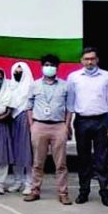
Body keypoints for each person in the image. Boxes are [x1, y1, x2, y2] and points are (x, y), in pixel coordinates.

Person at [67, 47, 108, 206]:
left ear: (97, 60)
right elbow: (70, 101)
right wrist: (67, 123)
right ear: (81, 61)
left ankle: (104, 192)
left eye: (92, 59)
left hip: (101, 121)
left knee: (102, 158)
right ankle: (84, 191)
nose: (89, 62)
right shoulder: (74, 77)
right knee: (83, 158)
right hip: (81, 121)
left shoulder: (106, 76)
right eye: (86, 59)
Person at [23, 54, 73, 205]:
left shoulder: (65, 85)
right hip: (39, 125)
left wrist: (66, 125)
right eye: (46, 64)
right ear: (42, 66)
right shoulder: (35, 85)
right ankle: (35, 190)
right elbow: (29, 106)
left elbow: (69, 108)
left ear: (57, 68)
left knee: (61, 163)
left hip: (58, 126)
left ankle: (63, 193)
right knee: (38, 162)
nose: (49, 67)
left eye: (52, 65)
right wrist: (32, 125)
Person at [7, 62, 34, 195]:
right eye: (15, 71)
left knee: (26, 152)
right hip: (11, 118)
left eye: (20, 72)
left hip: (25, 118)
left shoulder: (31, 86)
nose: (17, 74)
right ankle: (18, 181)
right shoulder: (10, 85)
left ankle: (29, 183)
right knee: (15, 151)